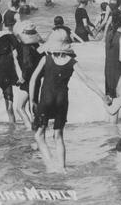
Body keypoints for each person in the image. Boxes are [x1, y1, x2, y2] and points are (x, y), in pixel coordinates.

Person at [29, 29, 107, 173]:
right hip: (62, 100)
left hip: (46, 99)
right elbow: (87, 80)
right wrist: (102, 96)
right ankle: (63, 168)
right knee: (58, 135)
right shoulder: (72, 62)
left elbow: (33, 79)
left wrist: (32, 100)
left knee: (39, 134)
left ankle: (49, 163)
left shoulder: (46, 59)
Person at [0, 29, 23, 123]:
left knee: (10, 108)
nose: (7, 46)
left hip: (8, 82)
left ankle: (12, 131)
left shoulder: (11, 55)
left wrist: (20, 76)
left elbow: (16, 66)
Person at [15, 21, 44, 129]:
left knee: (19, 107)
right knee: (32, 105)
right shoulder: (37, 47)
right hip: (37, 80)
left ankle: (29, 128)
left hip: (28, 80)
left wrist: (22, 78)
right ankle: (37, 127)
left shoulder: (25, 48)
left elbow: (27, 65)